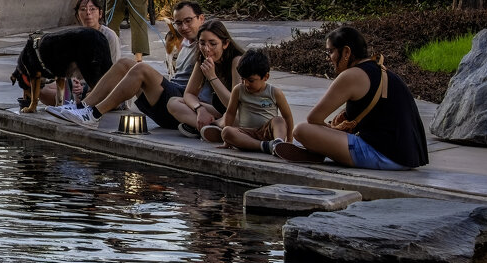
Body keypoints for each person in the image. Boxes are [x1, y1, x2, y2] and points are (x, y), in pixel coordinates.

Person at [275, 25, 429, 170]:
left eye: (330, 52)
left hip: (384, 155)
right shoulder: (380, 70)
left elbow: (314, 118)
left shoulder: (352, 75)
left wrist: (331, 130)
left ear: (346, 52)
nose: (328, 58)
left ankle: (319, 151)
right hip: (406, 157)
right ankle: (320, 151)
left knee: (301, 130)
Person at [56, 0, 205, 129]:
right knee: (125, 63)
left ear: (201, 19)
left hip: (183, 104)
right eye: (178, 23)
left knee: (141, 68)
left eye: (188, 21)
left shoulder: (206, 47)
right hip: (168, 104)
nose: (183, 27)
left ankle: (94, 114)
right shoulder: (186, 43)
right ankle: (81, 107)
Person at [38, 0, 121, 107]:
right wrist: (72, 82)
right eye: (83, 9)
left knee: (93, 96)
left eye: (92, 9)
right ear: (77, 15)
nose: (88, 13)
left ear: (100, 13)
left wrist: (86, 88)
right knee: (41, 90)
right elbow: (70, 70)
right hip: (79, 85)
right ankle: (74, 102)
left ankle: (78, 102)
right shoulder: (75, 36)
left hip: (102, 85)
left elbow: (113, 72)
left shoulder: (109, 36)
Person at [167, 19, 246, 138]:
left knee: (236, 118)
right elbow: (189, 94)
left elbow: (234, 105)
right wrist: (199, 109)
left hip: (238, 112)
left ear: (225, 44)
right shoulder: (202, 60)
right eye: (202, 43)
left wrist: (212, 77)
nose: (207, 49)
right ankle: (210, 129)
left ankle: (210, 128)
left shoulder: (237, 61)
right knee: (173, 102)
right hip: (220, 111)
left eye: (213, 44)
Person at [209, 48, 294, 154]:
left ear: (266, 77)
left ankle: (279, 144)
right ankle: (265, 146)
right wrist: (227, 141)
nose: (246, 84)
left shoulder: (274, 92)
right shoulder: (238, 90)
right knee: (226, 131)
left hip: (268, 133)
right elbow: (230, 113)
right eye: (243, 79)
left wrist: (289, 140)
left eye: (251, 80)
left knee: (279, 120)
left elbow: (287, 117)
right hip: (247, 134)